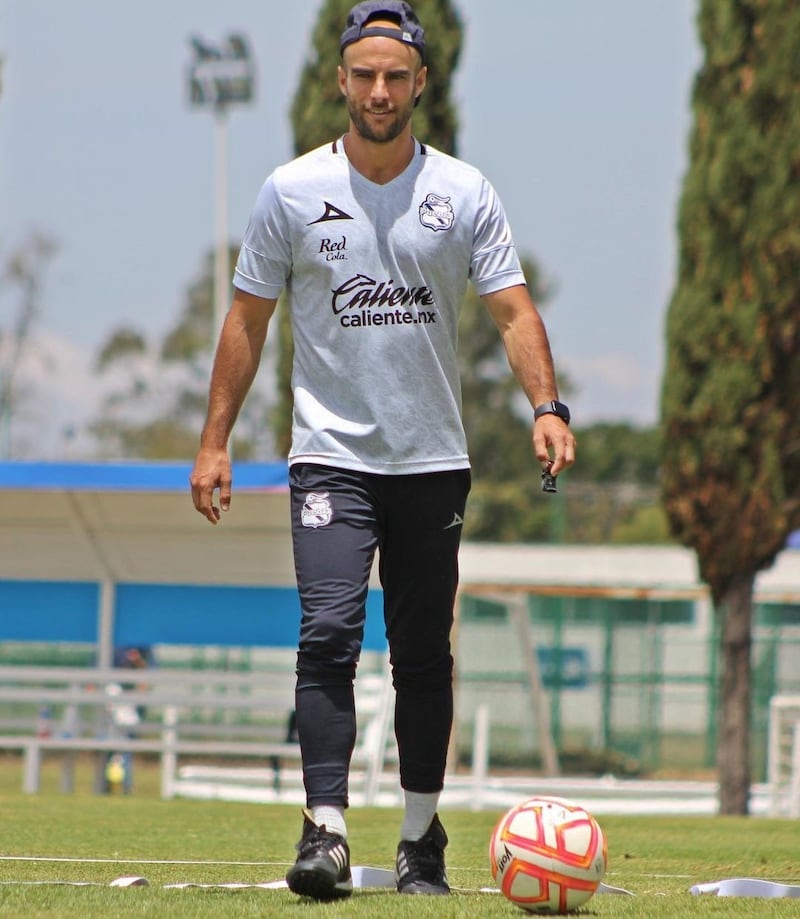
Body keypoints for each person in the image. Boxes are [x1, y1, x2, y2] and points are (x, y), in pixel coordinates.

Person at [190, 0, 576, 900]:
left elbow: (513, 309)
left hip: (431, 458)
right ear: (341, 81)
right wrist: (214, 442)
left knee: (422, 655)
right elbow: (247, 319)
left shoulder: (466, 193)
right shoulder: (289, 191)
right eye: (364, 74)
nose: (378, 90)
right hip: (329, 454)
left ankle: (418, 836)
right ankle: (324, 830)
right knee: (327, 632)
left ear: (420, 86)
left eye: (396, 76)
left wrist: (547, 405)